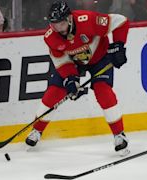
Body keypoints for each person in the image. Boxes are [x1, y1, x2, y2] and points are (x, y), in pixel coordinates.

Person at [25, 0, 131, 156]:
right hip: (74, 63)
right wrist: (70, 80)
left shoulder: (88, 20)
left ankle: (119, 135)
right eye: (53, 24)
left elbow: (121, 21)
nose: (57, 28)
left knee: (103, 91)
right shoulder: (50, 37)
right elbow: (61, 61)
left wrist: (118, 46)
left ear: (69, 18)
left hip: (100, 58)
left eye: (60, 24)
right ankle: (37, 130)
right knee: (54, 92)